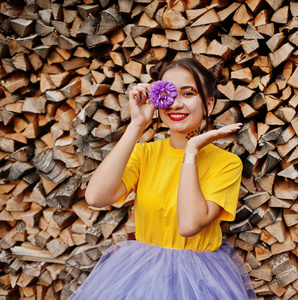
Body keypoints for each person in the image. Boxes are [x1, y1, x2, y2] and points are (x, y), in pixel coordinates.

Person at [69, 58, 257, 299]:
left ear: (209, 104)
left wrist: (191, 151)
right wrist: (137, 124)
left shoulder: (226, 164)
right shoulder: (144, 154)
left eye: (188, 93)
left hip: (199, 282)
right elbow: (96, 197)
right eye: (168, 94)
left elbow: (189, 225)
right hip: (142, 276)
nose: (176, 104)